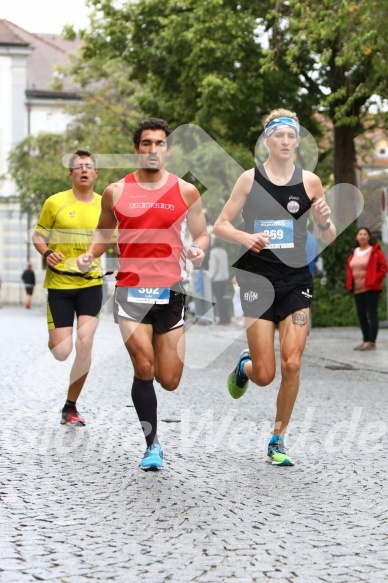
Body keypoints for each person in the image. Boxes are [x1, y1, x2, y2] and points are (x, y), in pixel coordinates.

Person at [77, 118, 209, 471]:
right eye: (146, 143)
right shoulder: (116, 192)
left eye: (159, 143)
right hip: (131, 290)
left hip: (171, 291)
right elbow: (104, 233)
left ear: (168, 149)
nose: (153, 149)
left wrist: (198, 248)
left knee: (169, 379)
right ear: (137, 149)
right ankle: (152, 445)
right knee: (144, 366)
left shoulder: (185, 191)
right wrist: (91, 254)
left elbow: (202, 234)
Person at [214, 108, 336, 466]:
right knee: (265, 375)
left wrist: (326, 222)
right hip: (256, 280)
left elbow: (327, 236)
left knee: (293, 363)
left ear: (297, 141)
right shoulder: (249, 180)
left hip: (296, 280)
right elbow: (221, 225)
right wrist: (244, 235)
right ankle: (245, 367)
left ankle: (277, 439)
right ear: (267, 139)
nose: (285, 141)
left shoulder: (311, 182)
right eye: (278, 135)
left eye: (291, 136)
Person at [32, 149, 102, 426]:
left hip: (91, 283)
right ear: (71, 174)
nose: (84, 170)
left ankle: (70, 406)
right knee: (62, 351)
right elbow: (38, 234)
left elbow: (114, 239)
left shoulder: (104, 205)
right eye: (78, 167)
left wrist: (92, 256)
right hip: (59, 285)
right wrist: (47, 252)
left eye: (89, 166)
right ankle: (55, 336)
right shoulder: (55, 202)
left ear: (96, 174)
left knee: (85, 346)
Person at [346, 227, 387, 351]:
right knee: (361, 314)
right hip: (358, 289)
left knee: (372, 314)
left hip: (371, 288)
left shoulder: (375, 251)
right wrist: (349, 283)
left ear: (369, 237)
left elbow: (384, 267)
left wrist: (375, 280)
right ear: (357, 237)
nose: (362, 236)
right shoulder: (354, 252)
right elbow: (349, 268)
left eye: (365, 234)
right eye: (360, 234)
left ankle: (371, 341)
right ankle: (365, 340)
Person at [208, 237, 231, 325]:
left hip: (217, 279)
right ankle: (227, 318)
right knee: (222, 298)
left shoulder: (214, 252)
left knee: (219, 299)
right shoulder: (223, 251)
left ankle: (222, 319)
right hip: (224, 278)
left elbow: (213, 267)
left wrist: (210, 277)